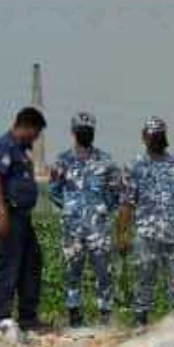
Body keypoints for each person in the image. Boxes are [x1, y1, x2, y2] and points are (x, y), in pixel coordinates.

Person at [47, 112, 124, 327]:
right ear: (73, 133)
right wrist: (71, 208)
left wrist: (100, 209)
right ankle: (74, 315)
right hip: (72, 228)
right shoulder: (62, 160)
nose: (84, 134)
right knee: (73, 273)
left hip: (98, 229)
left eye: (88, 131)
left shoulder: (106, 161)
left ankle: (105, 316)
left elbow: (117, 193)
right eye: (81, 130)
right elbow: (53, 191)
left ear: (93, 133)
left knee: (103, 273)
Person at [119, 116, 174, 326]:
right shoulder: (134, 166)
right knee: (143, 283)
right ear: (144, 137)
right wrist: (122, 234)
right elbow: (127, 204)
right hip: (146, 236)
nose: (156, 140)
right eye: (152, 136)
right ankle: (140, 324)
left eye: (160, 136)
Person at [0, 107, 47, 328]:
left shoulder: (22, 150)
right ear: (27, 126)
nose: (37, 137)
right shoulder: (5, 145)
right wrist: (2, 212)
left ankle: (28, 317)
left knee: (31, 262)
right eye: (36, 132)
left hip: (22, 216)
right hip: (8, 213)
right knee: (8, 265)